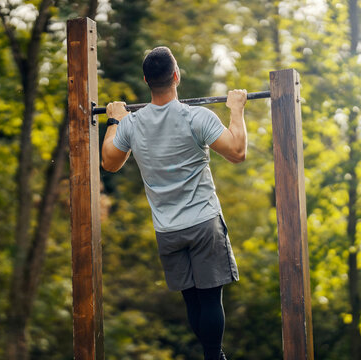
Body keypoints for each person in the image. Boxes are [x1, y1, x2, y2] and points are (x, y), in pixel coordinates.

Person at [101, 46, 248, 360]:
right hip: (203, 222)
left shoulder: (131, 125)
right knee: (210, 301)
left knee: (192, 302)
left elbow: (110, 162)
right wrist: (236, 109)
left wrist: (115, 120)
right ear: (176, 76)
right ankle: (214, 356)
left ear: (146, 80)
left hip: (168, 229)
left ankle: (210, 354)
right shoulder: (196, 116)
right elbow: (237, 152)